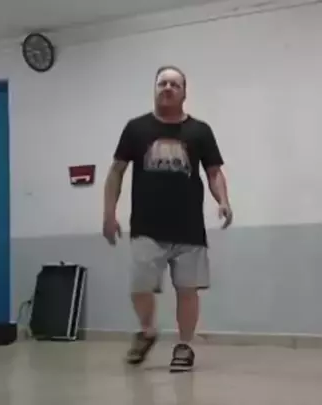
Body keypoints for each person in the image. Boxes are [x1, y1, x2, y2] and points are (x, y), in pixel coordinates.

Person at [102, 65, 233, 372]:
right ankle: (147, 330)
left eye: (175, 84)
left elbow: (214, 172)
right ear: (155, 89)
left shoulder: (200, 131)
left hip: (189, 228)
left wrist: (223, 201)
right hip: (146, 226)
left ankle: (184, 346)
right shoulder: (136, 129)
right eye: (163, 83)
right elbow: (116, 171)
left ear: (184, 93)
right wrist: (109, 213)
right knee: (140, 287)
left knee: (187, 290)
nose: (168, 88)